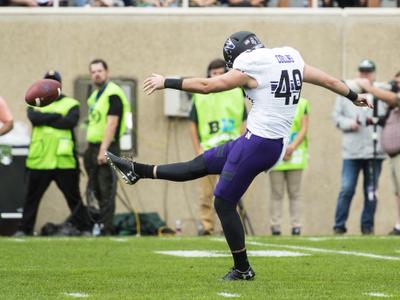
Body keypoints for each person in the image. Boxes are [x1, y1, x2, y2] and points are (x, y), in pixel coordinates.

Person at [105, 31, 371, 281]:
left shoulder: (253, 65)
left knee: (222, 202)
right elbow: (329, 81)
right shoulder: (288, 56)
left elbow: (209, 85)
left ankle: (242, 269)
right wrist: (353, 96)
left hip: (260, 143)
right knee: (199, 165)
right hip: (262, 140)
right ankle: (136, 170)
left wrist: (167, 82)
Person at [14, 70, 90, 237]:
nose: (48, 85)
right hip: (39, 161)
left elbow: (69, 122)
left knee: (74, 198)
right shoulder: (35, 102)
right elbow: (35, 119)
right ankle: (24, 229)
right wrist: (56, 116)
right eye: (46, 82)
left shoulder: (71, 103)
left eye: (52, 82)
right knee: (31, 199)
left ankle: (85, 228)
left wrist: (46, 119)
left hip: (64, 161)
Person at [189, 58, 247, 236]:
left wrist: (244, 145)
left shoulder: (237, 92)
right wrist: (197, 148)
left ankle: (229, 228)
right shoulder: (200, 95)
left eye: (221, 73)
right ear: (209, 75)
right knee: (206, 194)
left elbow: (244, 120)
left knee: (233, 192)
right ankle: (206, 227)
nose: (218, 76)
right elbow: (192, 123)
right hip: (209, 150)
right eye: (214, 73)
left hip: (233, 151)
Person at [332, 59, 388, 235]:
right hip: (352, 151)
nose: (365, 75)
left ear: (374, 73)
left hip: (374, 151)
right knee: (347, 189)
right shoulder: (347, 89)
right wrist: (349, 123)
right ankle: (339, 226)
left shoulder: (381, 90)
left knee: (371, 191)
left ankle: (367, 226)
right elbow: (336, 117)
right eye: (362, 72)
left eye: (368, 72)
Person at [84, 59, 131, 235]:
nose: (96, 74)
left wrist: (104, 149)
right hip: (93, 147)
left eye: (99, 71)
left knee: (106, 189)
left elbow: (112, 123)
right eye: (93, 71)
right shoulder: (95, 96)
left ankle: (106, 228)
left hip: (107, 147)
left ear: (107, 72)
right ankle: (100, 225)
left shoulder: (113, 93)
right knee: (95, 188)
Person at [355, 71, 400, 235]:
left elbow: (393, 99)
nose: (396, 86)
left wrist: (370, 88)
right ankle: (399, 225)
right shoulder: (392, 105)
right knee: (397, 192)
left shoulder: (394, 99)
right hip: (394, 155)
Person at [268, 97, 310, 236]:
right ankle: (275, 226)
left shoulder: (302, 103)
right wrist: (282, 148)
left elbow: (304, 128)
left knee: (295, 193)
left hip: (295, 156)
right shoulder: (271, 101)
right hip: (276, 156)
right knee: (276, 193)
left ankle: (296, 226)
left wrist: (291, 147)